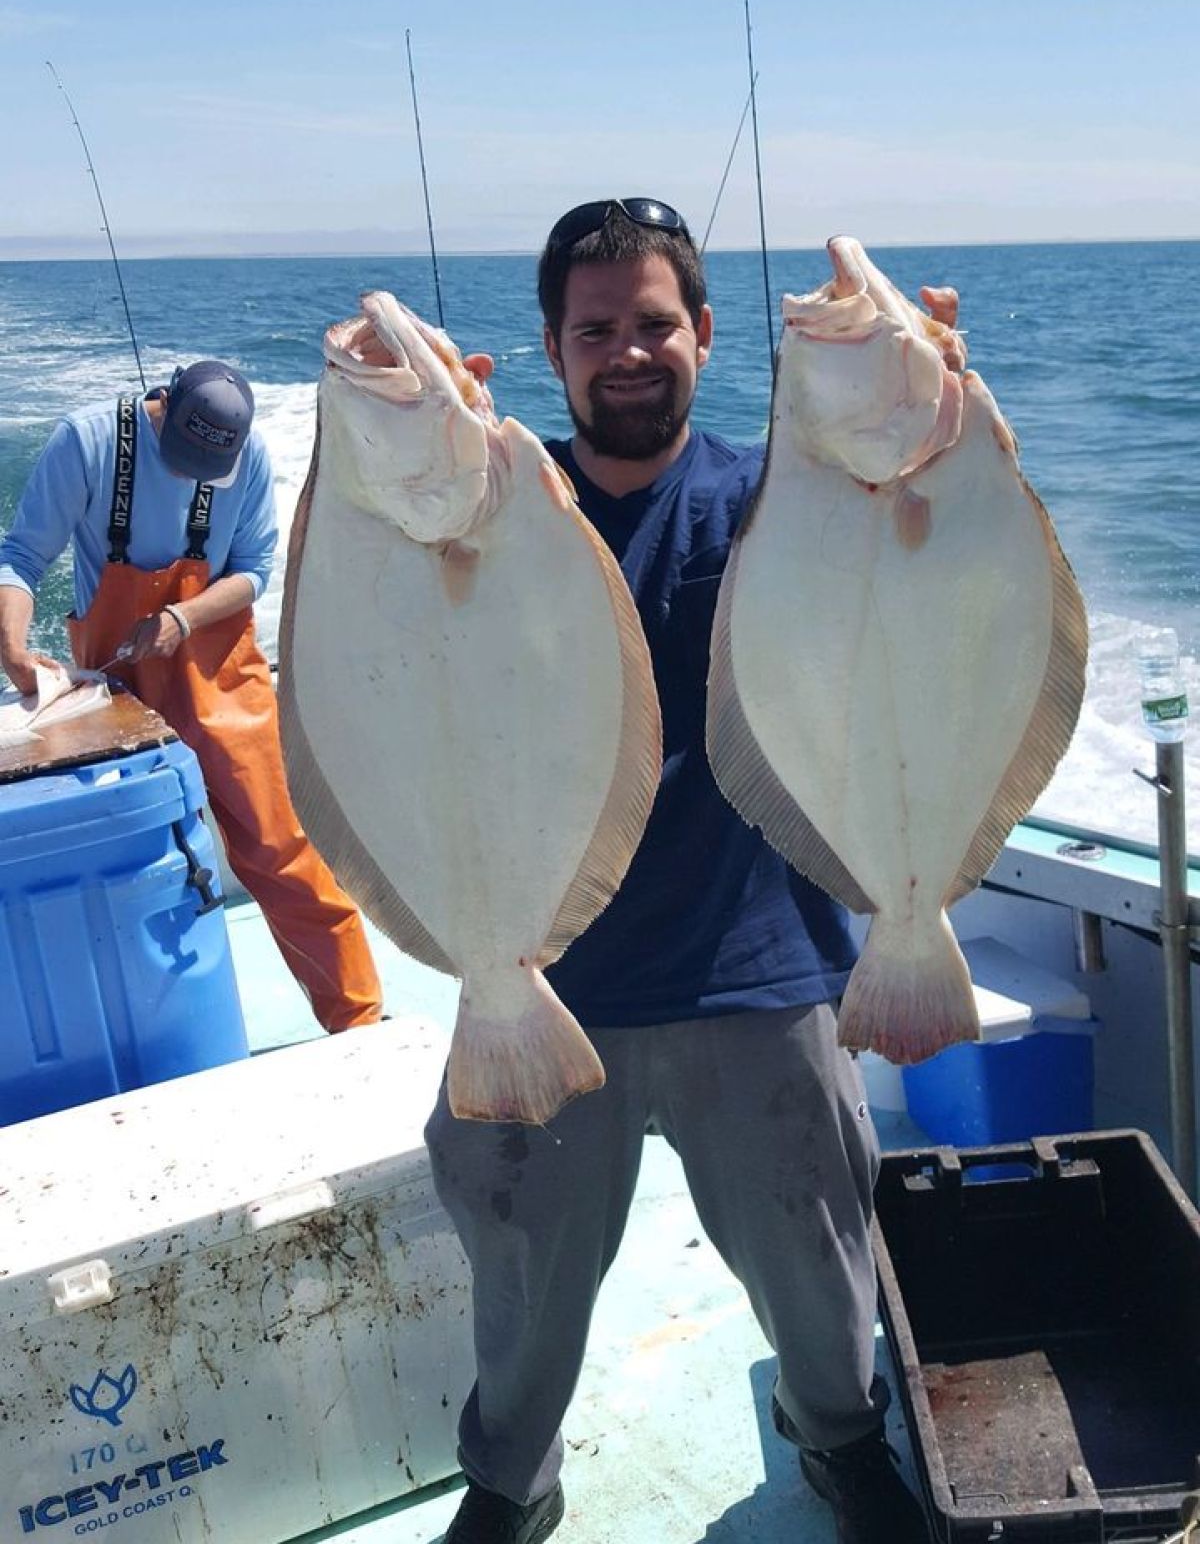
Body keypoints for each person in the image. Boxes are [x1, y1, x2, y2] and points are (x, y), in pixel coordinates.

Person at [428, 199, 961, 1544]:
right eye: (595, 328)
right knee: (524, 1282)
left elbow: (926, 572)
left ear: (706, 336)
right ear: (549, 349)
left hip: (759, 965)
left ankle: (841, 1442)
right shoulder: (490, 525)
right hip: (550, 982)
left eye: (653, 323)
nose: (627, 351)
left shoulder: (786, 496)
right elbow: (382, 655)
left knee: (820, 1262)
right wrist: (406, 448)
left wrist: (930, 417)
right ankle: (510, 1484)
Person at [0, 360, 383, 1035]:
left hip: (216, 663)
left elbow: (254, 572)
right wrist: (12, 649)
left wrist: (181, 620)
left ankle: (359, 1020)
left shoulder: (249, 459)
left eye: (208, 465)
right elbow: (22, 558)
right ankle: (143, 1029)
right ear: (163, 404)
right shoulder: (87, 442)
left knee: (280, 843)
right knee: (133, 854)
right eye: (182, 456)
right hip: (117, 680)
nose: (191, 473)